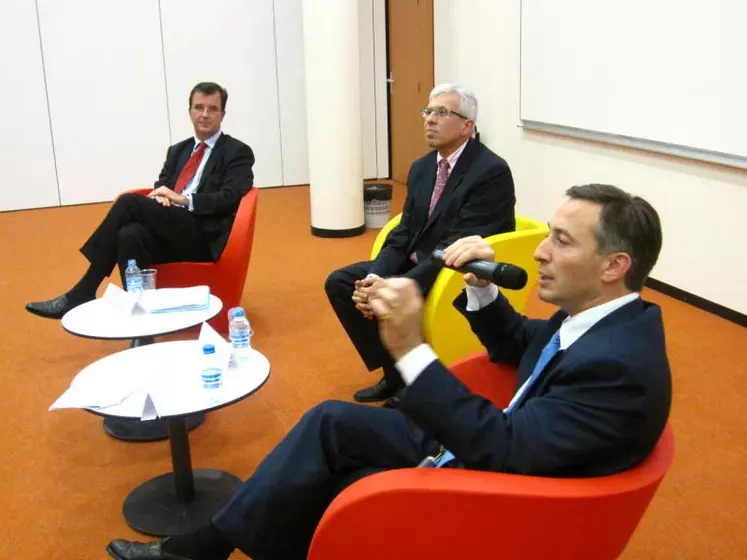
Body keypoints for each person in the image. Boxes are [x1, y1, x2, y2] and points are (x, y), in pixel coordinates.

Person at [107, 184, 671, 560]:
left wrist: (408, 347)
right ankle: (214, 547)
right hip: (512, 438)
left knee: (343, 482)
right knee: (330, 423)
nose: (541, 252)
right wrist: (482, 285)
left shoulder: (618, 366)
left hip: (510, 490)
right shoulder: (601, 321)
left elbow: (502, 448)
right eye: (548, 233)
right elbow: (517, 346)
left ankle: (211, 548)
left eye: (562, 241)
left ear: (614, 266)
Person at [326, 84, 516, 406]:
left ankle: (413, 386)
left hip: (454, 269)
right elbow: (402, 233)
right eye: (428, 111)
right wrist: (375, 277)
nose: (430, 119)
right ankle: (395, 373)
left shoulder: (490, 172)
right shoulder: (422, 167)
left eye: (442, 112)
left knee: (384, 293)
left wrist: (395, 286)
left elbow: (455, 246)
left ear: (467, 125)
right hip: (417, 260)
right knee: (342, 282)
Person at [25, 82, 255, 319]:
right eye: (199, 107)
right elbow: (161, 187)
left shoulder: (237, 151)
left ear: (222, 115)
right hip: (169, 228)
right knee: (130, 234)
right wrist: (161, 199)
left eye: (212, 109)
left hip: (201, 235)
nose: (205, 114)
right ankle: (141, 327)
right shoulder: (177, 151)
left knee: (128, 202)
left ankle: (83, 290)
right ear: (190, 112)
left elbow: (230, 197)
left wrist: (184, 199)